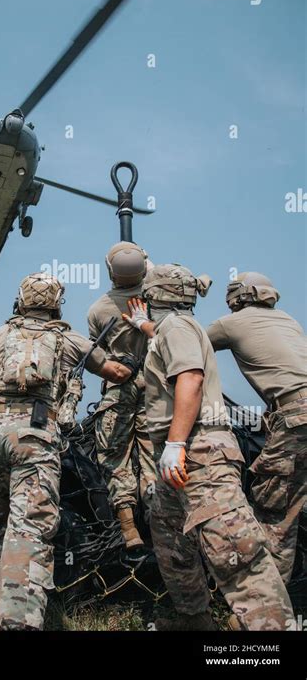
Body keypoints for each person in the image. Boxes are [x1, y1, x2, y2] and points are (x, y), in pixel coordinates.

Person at [123, 263, 296, 631]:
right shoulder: (174, 328)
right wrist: (144, 327)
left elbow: (190, 377)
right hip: (181, 456)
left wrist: (175, 443)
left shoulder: (179, 327)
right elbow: (173, 344)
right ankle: (194, 620)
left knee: (235, 550)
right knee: (171, 539)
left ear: (155, 295)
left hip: (198, 452)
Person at [0, 272, 132, 631]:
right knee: (30, 531)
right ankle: (18, 623)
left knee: (0, 526)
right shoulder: (69, 340)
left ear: (20, 300)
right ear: (57, 303)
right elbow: (116, 372)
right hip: (36, 439)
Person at [207, 271, 307, 584]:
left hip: (295, 417)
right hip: (293, 413)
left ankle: (267, 602)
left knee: (276, 509)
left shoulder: (232, 323)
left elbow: (187, 343)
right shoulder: (287, 319)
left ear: (239, 295)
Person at [88, 242, 156, 549]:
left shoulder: (98, 309)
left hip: (118, 390)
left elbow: (93, 357)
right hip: (155, 388)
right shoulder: (156, 301)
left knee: (115, 457)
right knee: (154, 456)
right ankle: (159, 524)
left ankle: (129, 530)